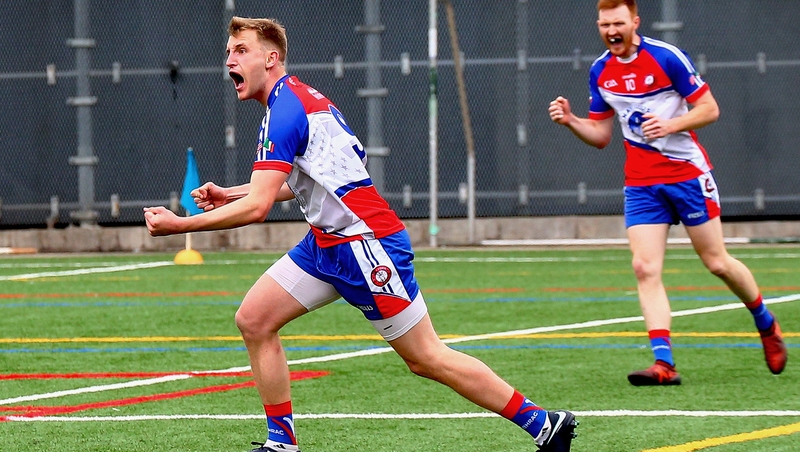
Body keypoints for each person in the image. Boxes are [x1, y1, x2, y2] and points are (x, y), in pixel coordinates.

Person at [144, 16, 578, 452]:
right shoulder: (301, 100)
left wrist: (180, 226)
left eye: (241, 51)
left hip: (366, 244)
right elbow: (302, 181)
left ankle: (544, 424)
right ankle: (282, 442)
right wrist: (228, 192)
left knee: (425, 357)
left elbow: (258, 207)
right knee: (254, 320)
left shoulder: (285, 111)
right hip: (326, 244)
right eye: (228, 52)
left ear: (271, 58)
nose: (229, 61)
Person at [548, 0, 787, 386]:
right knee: (644, 267)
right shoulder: (600, 71)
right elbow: (601, 136)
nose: (612, 30)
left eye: (619, 23)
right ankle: (664, 364)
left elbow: (709, 109)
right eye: (605, 23)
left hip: (687, 175)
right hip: (642, 183)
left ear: (635, 22)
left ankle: (765, 322)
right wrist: (572, 121)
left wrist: (672, 124)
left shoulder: (667, 57)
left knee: (717, 263)